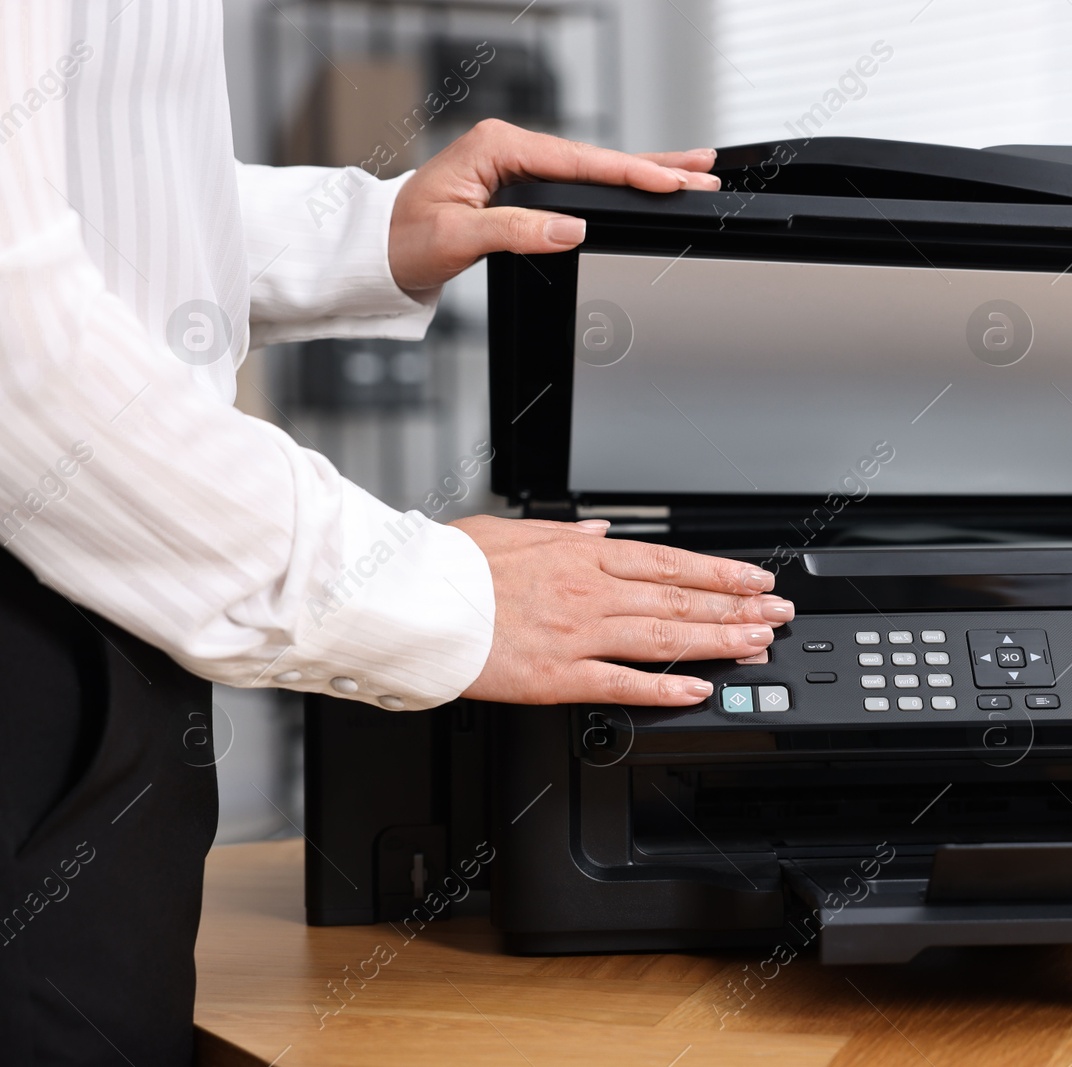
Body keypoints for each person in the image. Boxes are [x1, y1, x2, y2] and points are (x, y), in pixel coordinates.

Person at [0, 4, 791, 1063]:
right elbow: (19, 349)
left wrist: (365, 230)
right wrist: (434, 594)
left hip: (104, 598)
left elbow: (84, 185)